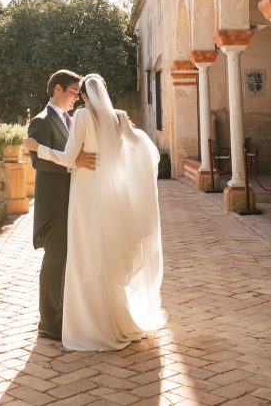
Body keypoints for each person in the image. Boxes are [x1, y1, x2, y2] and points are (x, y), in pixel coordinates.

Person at [24, 73, 167, 351]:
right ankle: (95, 319)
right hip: (103, 198)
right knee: (103, 257)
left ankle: (88, 321)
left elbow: (67, 158)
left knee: (86, 257)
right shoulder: (119, 118)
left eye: (80, 93)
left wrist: (38, 148)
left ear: (88, 96)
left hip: (85, 197)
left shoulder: (82, 118)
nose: (77, 97)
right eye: (73, 92)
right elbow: (139, 146)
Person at [28, 69, 97, 341]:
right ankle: (48, 322)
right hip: (55, 204)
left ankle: (63, 312)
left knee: (68, 259)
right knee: (55, 260)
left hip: (74, 202)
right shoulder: (41, 121)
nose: (76, 99)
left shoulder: (71, 120)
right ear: (57, 89)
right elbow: (38, 161)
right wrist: (73, 164)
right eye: (72, 92)